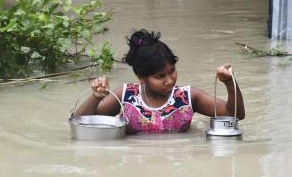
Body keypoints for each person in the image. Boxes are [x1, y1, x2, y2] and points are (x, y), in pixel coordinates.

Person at [75, 29, 245, 134]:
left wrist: (230, 82)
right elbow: (82, 122)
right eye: (160, 76)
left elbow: (235, 115)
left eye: (172, 71)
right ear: (142, 77)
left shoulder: (187, 97)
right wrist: (96, 97)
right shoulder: (126, 96)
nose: (169, 80)